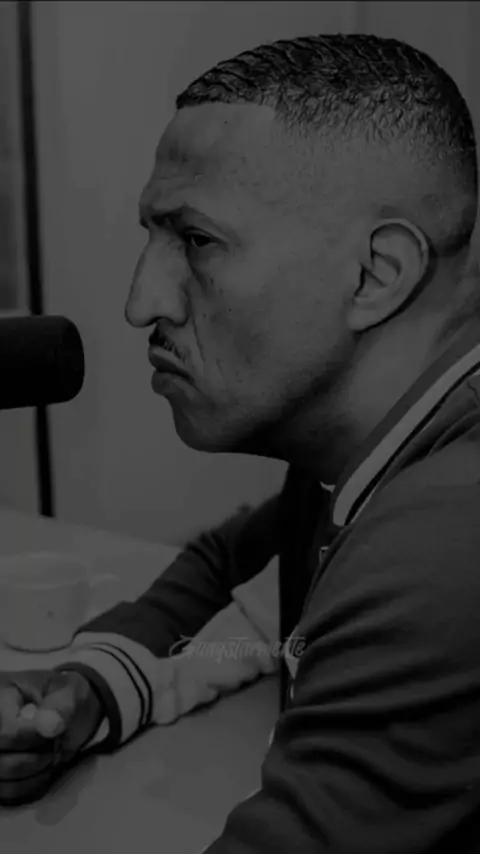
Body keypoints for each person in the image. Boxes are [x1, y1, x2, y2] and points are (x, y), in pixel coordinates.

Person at [1, 30, 480, 851]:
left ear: (376, 274)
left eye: (196, 240)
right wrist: (87, 690)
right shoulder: (362, 457)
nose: (141, 302)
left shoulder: (444, 543)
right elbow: (238, 581)